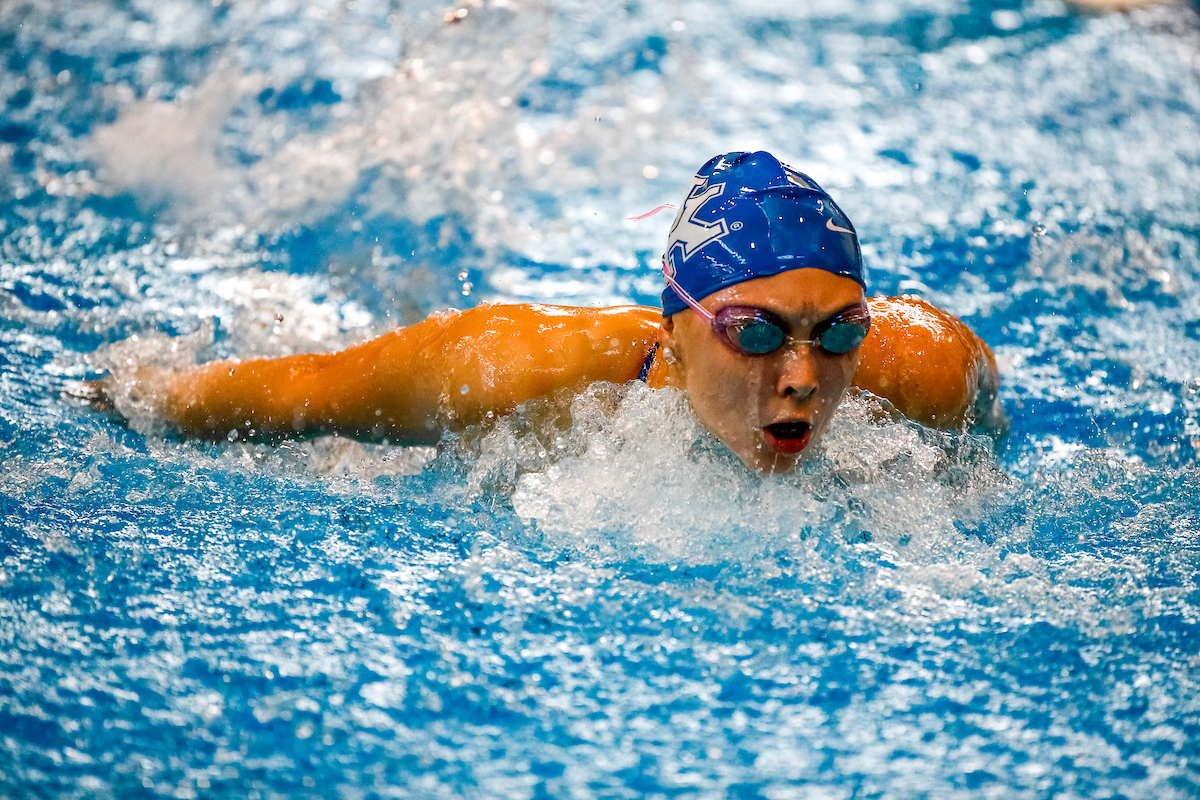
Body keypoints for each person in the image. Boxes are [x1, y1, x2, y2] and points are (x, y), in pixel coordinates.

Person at [94, 151, 1006, 473]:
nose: (804, 376)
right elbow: (308, 389)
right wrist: (136, 396)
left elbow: (989, 429)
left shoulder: (925, 364)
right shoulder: (517, 365)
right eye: (755, 332)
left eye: (837, 330)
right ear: (676, 328)